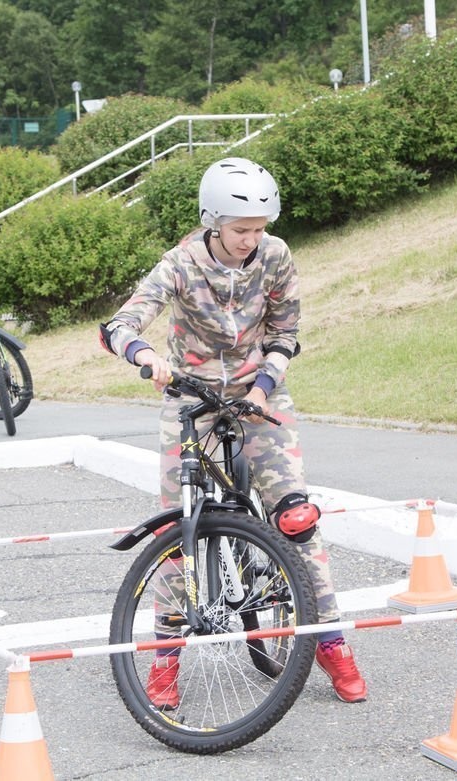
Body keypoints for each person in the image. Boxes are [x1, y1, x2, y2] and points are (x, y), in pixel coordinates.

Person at [98, 157, 367, 705]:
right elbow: (117, 327)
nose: (251, 240)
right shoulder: (179, 264)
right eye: (241, 230)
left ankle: (331, 642)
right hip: (190, 401)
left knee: (296, 518)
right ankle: (166, 658)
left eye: (259, 229)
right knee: (178, 532)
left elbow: (287, 330)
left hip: (256, 394)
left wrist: (263, 388)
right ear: (212, 221)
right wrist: (146, 356)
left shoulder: (276, 256)